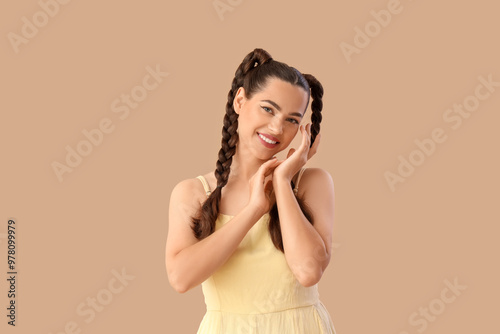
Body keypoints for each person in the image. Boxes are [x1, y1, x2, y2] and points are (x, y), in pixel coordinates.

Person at [165, 48, 336, 333]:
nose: (277, 127)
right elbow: (181, 279)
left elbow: (308, 272)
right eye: (268, 109)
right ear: (240, 100)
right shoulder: (193, 192)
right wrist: (254, 208)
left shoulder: (312, 183)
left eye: (292, 119)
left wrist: (282, 182)